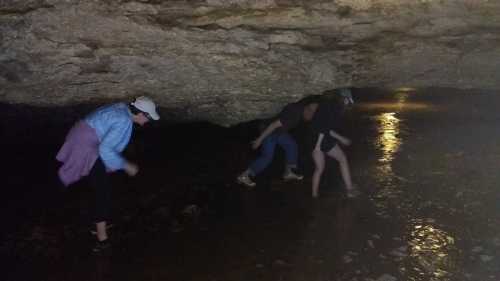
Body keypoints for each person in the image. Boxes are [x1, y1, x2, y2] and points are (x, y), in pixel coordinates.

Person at [56, 96, 160, 251]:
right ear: (141, 114)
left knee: (97, 183)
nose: (149, 121)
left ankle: (96, 221)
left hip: (82, 136)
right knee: (103, 192)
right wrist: (126, 165)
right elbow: (105, 150)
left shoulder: (121, 109)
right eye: (149, 117)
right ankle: (101, 239)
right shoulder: (124, 121)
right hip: (86, 145)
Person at [237, 99, 319, 187]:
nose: (311, 118)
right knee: (267, 157)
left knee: (291, 145)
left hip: (278, 132)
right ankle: (245, 175)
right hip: (269, 130)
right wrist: (259, 140)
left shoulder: (299, 109)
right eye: (312, 115)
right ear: (308, 110)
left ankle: (289, 171)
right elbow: (274, 125)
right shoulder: (295, 114)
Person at [311, 88, 359, 198]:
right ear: (345, 99)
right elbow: (324, 128)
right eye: (348, 101)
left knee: (320, 168)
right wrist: (317, 148)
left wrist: (341, 139)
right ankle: (349, 190)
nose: (348, 104)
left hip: (315, 137)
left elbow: (326, 128)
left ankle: (314, 195)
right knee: (340, 159)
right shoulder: (335, 108)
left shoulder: (327, 104)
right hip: (320, 140)